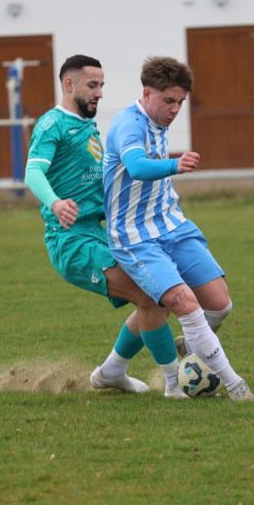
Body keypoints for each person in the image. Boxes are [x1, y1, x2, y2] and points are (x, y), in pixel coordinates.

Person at [25, 55, 189, 399]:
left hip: (101, 232)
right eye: (92, 85)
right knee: (150, 295)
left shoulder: (88, 126)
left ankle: (112, 372)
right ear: (69, 84)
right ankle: (175, 384)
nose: (99, 92)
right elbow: (33, 172)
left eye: (101, 85)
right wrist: (55, 202)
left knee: (156, 294)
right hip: (70, 240)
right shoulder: (52, 124)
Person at [103, 56, 254, 402]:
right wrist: (176, 164)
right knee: (184, 304)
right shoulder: (129, 124)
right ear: (146, 94)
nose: (174, 109)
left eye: (180, 102)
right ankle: (234, 385)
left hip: (172, 225)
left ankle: (123, 367)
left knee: (219, 304)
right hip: (135, 238)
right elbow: (136, 167)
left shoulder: (158, 119)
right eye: (168, 101)